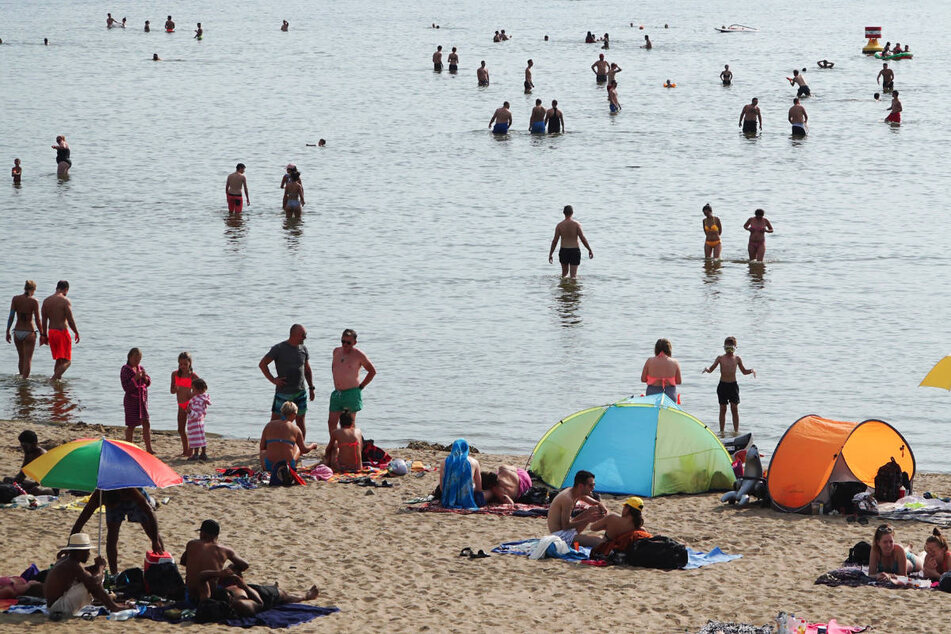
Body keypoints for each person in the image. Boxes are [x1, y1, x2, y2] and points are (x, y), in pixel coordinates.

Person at [71, 488, 164, 575]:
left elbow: (150, 512)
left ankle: (164, 562)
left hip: (134, 499)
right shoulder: (100, 495)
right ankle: (114, 574)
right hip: (112, 496)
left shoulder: (131, 490)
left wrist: (155, 541)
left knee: (151, 531)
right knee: (111, 536)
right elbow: (82, 518)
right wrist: (70, 544)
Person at [45, 534, 127, 620]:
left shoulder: (68, 561)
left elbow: (83, 572)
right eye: (86, 551)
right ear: (78, 552)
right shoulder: (72, 564)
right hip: (58, 607)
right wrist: (101, 567)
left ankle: (112, 605)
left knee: (90, 579)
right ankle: (113, 607)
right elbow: (94, 581)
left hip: (55, 605)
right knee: (93, 583)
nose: (88, 554)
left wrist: (96, 567)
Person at [259, 324, 315, 439]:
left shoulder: (303, 349)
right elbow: (263, 364)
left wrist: (311, 387)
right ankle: (269, 444)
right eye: (303, 335)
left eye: (305, 335)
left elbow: (307, 370)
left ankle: (300, 446)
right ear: (293, 335)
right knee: (275, 421)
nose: (305, 338)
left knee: (300, 421)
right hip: (283, 392)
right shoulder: (279, 349)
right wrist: (273, 380)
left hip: (300, 392)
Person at [180, 520, 249, 603]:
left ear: (203, 533)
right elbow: (245, 565)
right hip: (209, 595)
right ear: (217, 535)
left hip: (190, 594)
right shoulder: (225, 550)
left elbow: (183, 562)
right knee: (235, 569)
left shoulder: (191, 544)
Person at [703, 336, 756, 435]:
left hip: (733, 386)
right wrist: (707, 369)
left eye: (731, 348)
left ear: (735, 347)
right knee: (723, 408)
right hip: (722, 385)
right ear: (724, 347)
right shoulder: (720, 358)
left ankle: (736, 431)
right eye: (727, 348)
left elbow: (744, 371)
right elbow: (711, 369)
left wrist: (751, 370)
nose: (729, 350)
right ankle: (722, 432)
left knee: (734, 408)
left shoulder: (737, 359)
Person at [327, 328, 375, 437]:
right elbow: (335, 369)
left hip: (351, 392)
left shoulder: (358, 355)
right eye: (343, 341)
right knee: (331, 422)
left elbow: (372, 371)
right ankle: (335, 448)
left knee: (349, 425)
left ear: (354, 342)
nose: (345, 344)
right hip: (337, 392)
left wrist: (361, 386)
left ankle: (350, 448)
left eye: (348, 342)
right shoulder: (336, 351)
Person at [547, 470, 607, 548]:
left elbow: (595, 503)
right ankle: (578, 539)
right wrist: (588, 519)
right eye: (590, 485)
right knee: (598, 541)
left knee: (595, 509)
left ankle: (579, 537)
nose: (593, 488)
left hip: (567, 530)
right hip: (560, 535)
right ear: (581, 486)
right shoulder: (567, 499)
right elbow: (565, 526)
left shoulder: (576, 491)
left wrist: (601, 505)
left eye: (594, 485)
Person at [216, 573, 319, 617]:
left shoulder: (212, 600)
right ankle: (306, 596)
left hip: (249, 590)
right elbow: (260, 603)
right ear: (230, 599)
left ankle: (273, 587)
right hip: (261, 596)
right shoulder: (240, 604)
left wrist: (220, 573)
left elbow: (202, 578)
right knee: (282, 594)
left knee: (234, 568)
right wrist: (244, 586)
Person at [259, 402, 318, 473]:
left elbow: (262, 447)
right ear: (293, 414)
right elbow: (304, 450)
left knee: (263, 452)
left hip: (269, 466)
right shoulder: (296, 428)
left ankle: (268, 466)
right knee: (297, 446)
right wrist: (313, 445)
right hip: (287, 467)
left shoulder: (269, 425)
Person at [41, 280, 79, 380]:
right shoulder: (65, 301)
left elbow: (44, 321)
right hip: (62, 332)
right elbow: (70, 320)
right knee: (67, 361)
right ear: (66, 289)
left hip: (51, 333)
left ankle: (57, 385)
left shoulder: (46, 301)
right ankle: (53, 379)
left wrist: (44, 335)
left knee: (59, 360)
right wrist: (76, 332)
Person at [7, 280, 43, 378]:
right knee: (28, 359)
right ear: (33, 289)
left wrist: (7, 331)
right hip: (29, 332)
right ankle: (25, 381)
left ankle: (21, 378)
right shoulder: (34, 301)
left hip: (17, 332)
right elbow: (37, 320)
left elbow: (11, 317)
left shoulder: (15, 299)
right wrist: (43, 334)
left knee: (21, 357)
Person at [2, 429, 56, 495]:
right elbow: (23, 472)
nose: (23, 448)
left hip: (48, 486)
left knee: (35, 490)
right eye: (22, 445)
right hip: (37, 483)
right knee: (7, 480)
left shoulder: (41, 454)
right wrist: (16, 482)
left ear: (34, 444)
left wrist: (25, 487)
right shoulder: (29, 452)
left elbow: (43, 480)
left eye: (25, 445)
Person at [121, 347, 153, 453]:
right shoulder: (125, 369)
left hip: (142, 401)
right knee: (131, 425)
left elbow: (148, 383)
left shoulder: (141, 368)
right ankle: (129, 448)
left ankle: (149, 448)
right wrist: (135, 378)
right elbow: (126, 387)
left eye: (139, 358)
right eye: (135, 358)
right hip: (131, 401)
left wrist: (144, 378)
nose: (137, 361)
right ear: (129, 357)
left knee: (146, 422)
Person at [548, 205, 593, 279]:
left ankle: (563, 289)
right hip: (574, 251)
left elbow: (555, 241)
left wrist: (550, 254)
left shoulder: (559, 225)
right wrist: (589, 249)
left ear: (563, 213)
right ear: (572, 213)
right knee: (573, 276)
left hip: (564, 250)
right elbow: (582, 238)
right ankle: (573, 289)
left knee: (564, 275)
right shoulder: (576, 225)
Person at [171, 351, 199, 456]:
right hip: (181, 405)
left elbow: (201, 390)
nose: (183, 366)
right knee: (180, 429)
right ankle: (185, 450)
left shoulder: (193, 376)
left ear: (190, 363)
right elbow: (172, 391)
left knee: (191, 429)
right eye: (181, 364)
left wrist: (191, 394)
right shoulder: (175, 374)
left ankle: (190, 451)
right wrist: (175, 388)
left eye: (185, 364)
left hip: (191, 406)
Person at [440, 439, 482, 509]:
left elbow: (442, 487)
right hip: (466, 496)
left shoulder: (444, 462)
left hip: (449, 497)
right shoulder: (474, 462)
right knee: (489, 492)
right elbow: (479, 488)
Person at [186, 378, 210, 461]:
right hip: (200, 421)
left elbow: (197, 413)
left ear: (199, 390)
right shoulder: (202, 398)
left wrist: (190, 412)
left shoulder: (198, 400)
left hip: (195, 422)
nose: (192, 392)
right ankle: (203, 454)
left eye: (193, 390)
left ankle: (196, 454)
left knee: (195, 438)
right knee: (201, 437)